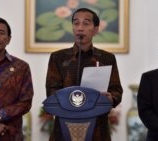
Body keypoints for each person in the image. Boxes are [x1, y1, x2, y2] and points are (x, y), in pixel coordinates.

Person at [45, 8, 123, 141]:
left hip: (97, 129)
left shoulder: (106, 58)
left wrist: (110, 98)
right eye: (76, 23)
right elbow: (52, 92)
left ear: (96, 29)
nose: (80, 28)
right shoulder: (58, 57)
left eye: (86, 24)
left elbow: (116, 91)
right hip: (65, 127)